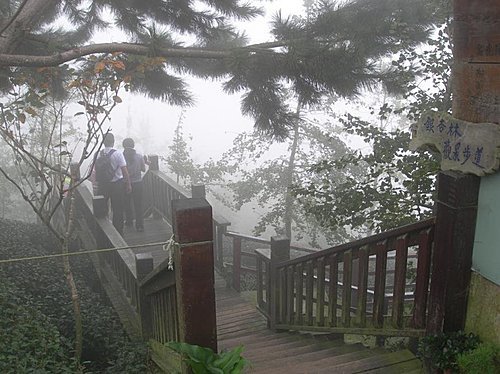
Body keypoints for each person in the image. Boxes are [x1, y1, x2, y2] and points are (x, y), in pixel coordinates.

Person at [95, 133, 131, 235]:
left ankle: (104, 232)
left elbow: (95, 170)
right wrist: (128, 184)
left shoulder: (97, 154)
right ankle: (118, 232)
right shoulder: (118, 154)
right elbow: (125, 171)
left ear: (103, 142)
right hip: (117, 185)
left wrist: (96, 183)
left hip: (102, 185)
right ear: (113, 141)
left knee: (102, 209)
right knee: (118, 209)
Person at [122, 137, 146, 232]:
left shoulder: (121, 156)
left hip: (125, 183)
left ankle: (129, 221)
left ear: (124, 146)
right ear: (133, 145)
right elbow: (143, 169)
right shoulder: (139, 157)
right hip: (138, 183)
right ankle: (139, 225)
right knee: (138, 205)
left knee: (127, 204)